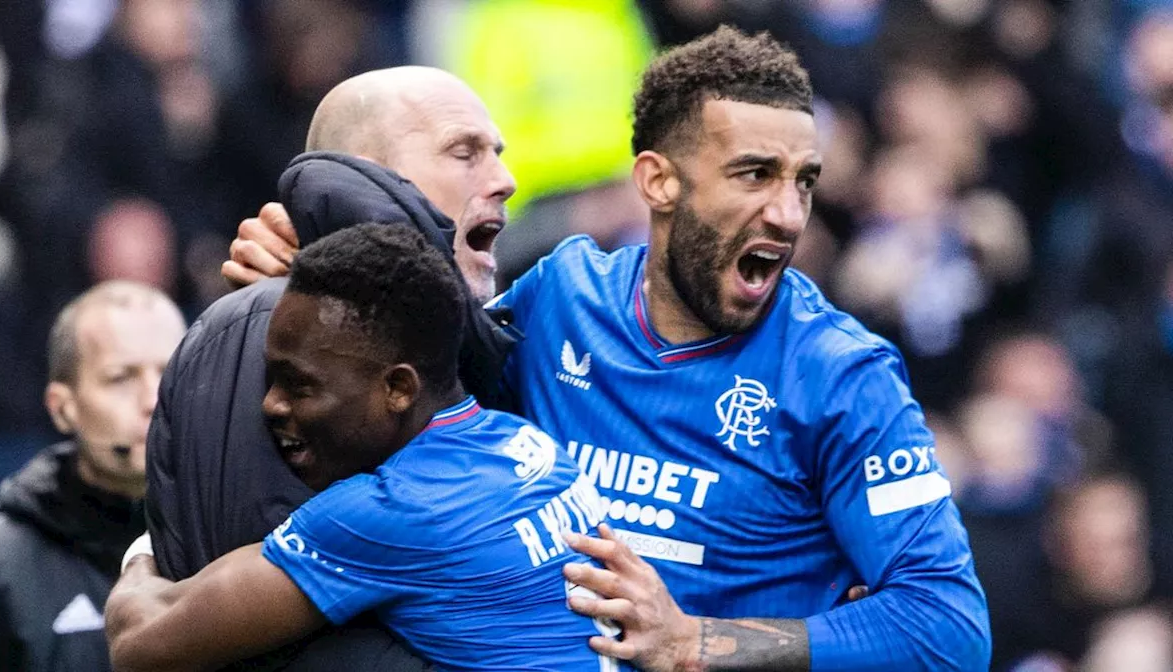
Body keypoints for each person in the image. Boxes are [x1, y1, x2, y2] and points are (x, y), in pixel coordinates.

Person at [231, 27, 991, 671]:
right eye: (754, 175)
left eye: (805, 181)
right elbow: (411, 384)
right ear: (657, 182)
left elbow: (950, 624)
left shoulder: (840, 376)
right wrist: (308, 279)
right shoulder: (563, 296)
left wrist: (695, 641)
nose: (789, 213)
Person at [107, 223, 626, 672]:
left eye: (298, 385)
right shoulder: (527, 444)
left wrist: (146, 551)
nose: (269, 405)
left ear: (398, 389)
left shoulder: (396, 511)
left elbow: (142, 648)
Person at [144, 65, 516, 669]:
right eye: (464, 152)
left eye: (496, 153)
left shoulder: (463, 340)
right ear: (370, 171)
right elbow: (228, 622)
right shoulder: (263, 330)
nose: (505, 180)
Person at [0, 281, 186, 671]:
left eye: (172, 373)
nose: (153, 399)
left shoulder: (238, 544)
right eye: (121, 377)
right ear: (63, 408)